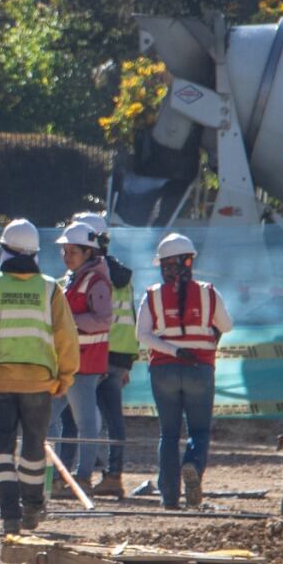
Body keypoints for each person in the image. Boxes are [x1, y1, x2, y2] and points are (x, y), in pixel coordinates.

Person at [0, 219, 80, 536]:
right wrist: (66, 376)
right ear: (35, 253)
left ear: (4, 251)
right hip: (39, 382)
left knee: (3, 449)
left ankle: (9, 515)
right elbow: (67, 337)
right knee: (34, 447)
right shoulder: (50, 289)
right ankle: (32, 508)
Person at [139, 231, 232, 511]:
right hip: (199, 369)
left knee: (168, 434)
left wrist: (173, 350)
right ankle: (192, 464)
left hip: (163, 370)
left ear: (163, 265)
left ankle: (169, 498)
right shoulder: (208, 292)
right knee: (199, 430)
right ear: (189, 261)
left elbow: (142, 334)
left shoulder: (152, 296)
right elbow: (226, 326)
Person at [54, 219, 111, 496]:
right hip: (70, 361)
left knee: (86, 422)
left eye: (72, 252)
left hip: (84, 363)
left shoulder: (95, 281)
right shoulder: (74, 279)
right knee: (48, 418)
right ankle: (55, 475)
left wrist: (68, 320)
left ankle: (83, 477)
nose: (67, 257)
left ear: (88, 252)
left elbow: (104, 320)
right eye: (64, 251)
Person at [88, 210, 136, 499]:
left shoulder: (86, 273)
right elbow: (129, 316)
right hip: (119, 355)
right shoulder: (124, 276)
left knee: (76, 417)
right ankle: (114, 476)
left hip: (93, 351)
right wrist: (128, 361)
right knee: (114, 418)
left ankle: (75, 473)